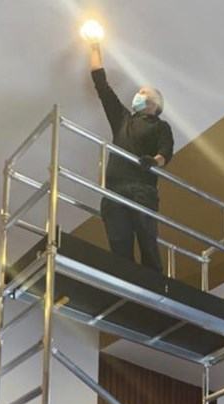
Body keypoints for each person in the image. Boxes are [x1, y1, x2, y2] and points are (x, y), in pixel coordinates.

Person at [88, 40, 174, 272]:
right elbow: (102, 87)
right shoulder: (122, 120)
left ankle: (153, 284)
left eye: (142, 92)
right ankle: (125, 281)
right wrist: (94, 47)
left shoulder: (160, 126)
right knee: (119, 242)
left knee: (147, 239)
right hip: (114, 189)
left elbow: (166, 150)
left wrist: (154, 161)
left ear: (154, 103)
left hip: (141, 187)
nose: (138, 94)